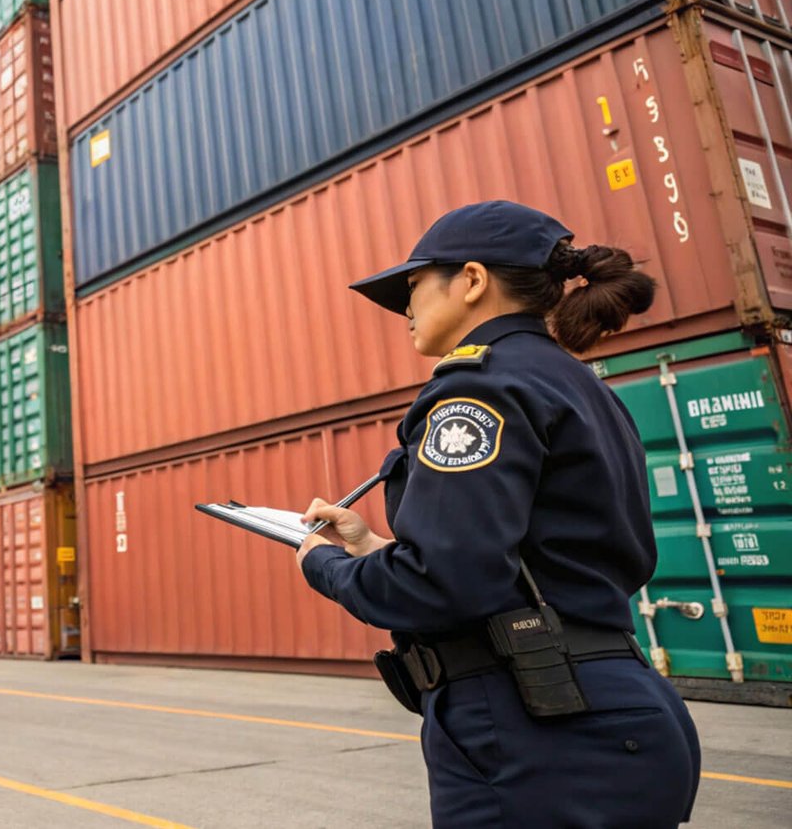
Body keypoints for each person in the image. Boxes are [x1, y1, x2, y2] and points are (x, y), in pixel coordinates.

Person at [295, 201, 702, 827]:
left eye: (412, 287)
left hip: (538, 733)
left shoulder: (476, 388)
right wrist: (375, 547)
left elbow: (438, 584)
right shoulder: (581, 385)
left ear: (473, 280)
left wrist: (322, 563)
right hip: (611, 712)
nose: (405, 310)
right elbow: (537, 561)